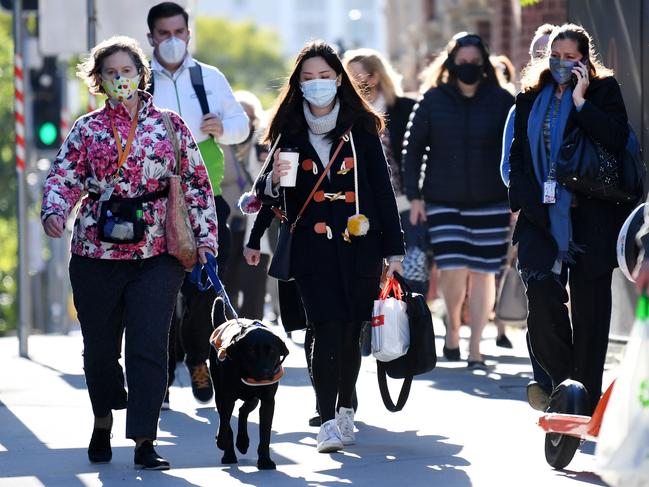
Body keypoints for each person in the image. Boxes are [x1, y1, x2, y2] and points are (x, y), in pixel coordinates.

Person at [41, 36, 218, 470]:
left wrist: (207, 239)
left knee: (148, 344)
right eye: (111, 73)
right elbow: (63, 177)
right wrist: (54, 211)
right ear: (98, 81)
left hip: (157, 250)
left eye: (127, 71)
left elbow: (196, 184)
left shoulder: (171, 125)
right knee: (99, 349)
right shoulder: (87, 129)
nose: (120, 79)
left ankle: (144, 439)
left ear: (142, 73)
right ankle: (103, 420)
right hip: (95, 251)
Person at [255, 40, 404, 453]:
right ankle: (326, 419)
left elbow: (382, 189)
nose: (317, 84)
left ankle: (345, 408)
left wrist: (394, 249)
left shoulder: (361, 127)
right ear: (298, 84)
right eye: (308, 78)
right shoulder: (288, 129)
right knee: (324, 326)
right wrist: (271, 185)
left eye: (324, 77)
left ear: (338, 80)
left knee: (349, 330)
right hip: (310, 246)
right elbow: (277, 192)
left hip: (360, 243)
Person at [508, 23, 630, 415]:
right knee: (541, 298)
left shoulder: (603, 92)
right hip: (541, 215)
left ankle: (586, 399)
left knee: (591, 313)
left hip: (592, 215)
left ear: (585, 61)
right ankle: (565, 383)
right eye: (555, 56)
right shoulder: (529, 97)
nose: (561, 64)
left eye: (570, 58)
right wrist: (531, 207)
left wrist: (581, 102)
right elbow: (519, 158)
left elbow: (615, 139)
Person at [146, 1, 249, 407]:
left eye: (179, 32)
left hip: (204, 199)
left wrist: (222, 127)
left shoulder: (207, 77)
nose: (172, 40)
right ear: (151, 37)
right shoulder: (139, 79)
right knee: (159, 289)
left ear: (189, 34)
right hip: (153, 202)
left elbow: (241, 126)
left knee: (206, 283)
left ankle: (197, 357)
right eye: (163, 34)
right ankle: (164, 371)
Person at [404, 32, 514, 369]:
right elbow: (413, 149)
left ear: (484, 64)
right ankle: (453, 329)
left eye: (474, 62)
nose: (468, 67)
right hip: (443, 199)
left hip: (493, 200)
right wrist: (415, 196)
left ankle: (476, 347)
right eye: (462, 61)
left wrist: (516, 200)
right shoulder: (433, 99)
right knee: (453, 268)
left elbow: (516, 151)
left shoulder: (502, 100)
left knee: (483, 273)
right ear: (451, 63)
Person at [499, 23, 556, 411]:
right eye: (537, 53)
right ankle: (547, 381)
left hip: (580, 221)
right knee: (542, 302)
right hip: (537, 219)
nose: (542, 59)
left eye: (549, 52)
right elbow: (507, 168)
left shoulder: (592, 99)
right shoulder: (522, 106)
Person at [342, 49, 428, 293]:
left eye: (356, 77)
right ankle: (373, 327)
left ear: (375, 77)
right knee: (368, 275)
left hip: (405, 204)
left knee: (410, 271)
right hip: (362, 208)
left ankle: (408, 323)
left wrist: (418, 196)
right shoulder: (345, 116)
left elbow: (420, 154)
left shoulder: (405, 109)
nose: (351, 84)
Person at [221, 91, 271, 319]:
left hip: (255, 222)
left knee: (253, 280)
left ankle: (253, 330)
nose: (245, 120)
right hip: (227, 220)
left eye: (249, 115)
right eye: (240, 114)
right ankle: (227, 326)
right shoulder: (219, 142)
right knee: (227, 277)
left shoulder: (262, 142)